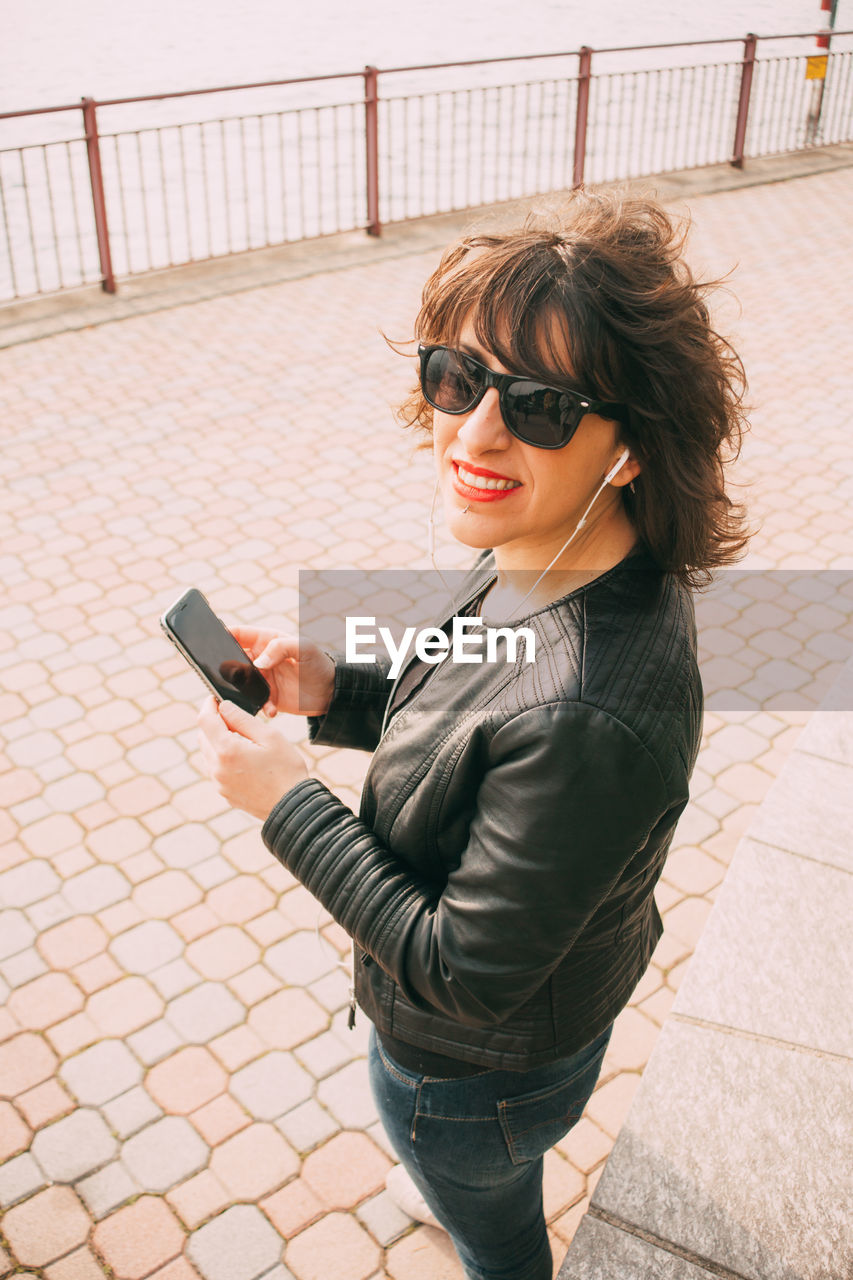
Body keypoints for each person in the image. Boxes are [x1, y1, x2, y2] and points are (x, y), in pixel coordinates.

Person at [197, 189, 748, 1280]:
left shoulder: (594, 708)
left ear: (627, 448)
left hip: (471, 1074)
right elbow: (484, 696)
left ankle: (463, 1179)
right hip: (532, 1027)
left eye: (540, 406)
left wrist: (288, 803)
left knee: (492, 1231)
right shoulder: (566, 541)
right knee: (472, 1173)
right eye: (458, 377)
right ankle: (461, 1171)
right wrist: (333, 690)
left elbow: (465, 967)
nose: (475, 431)